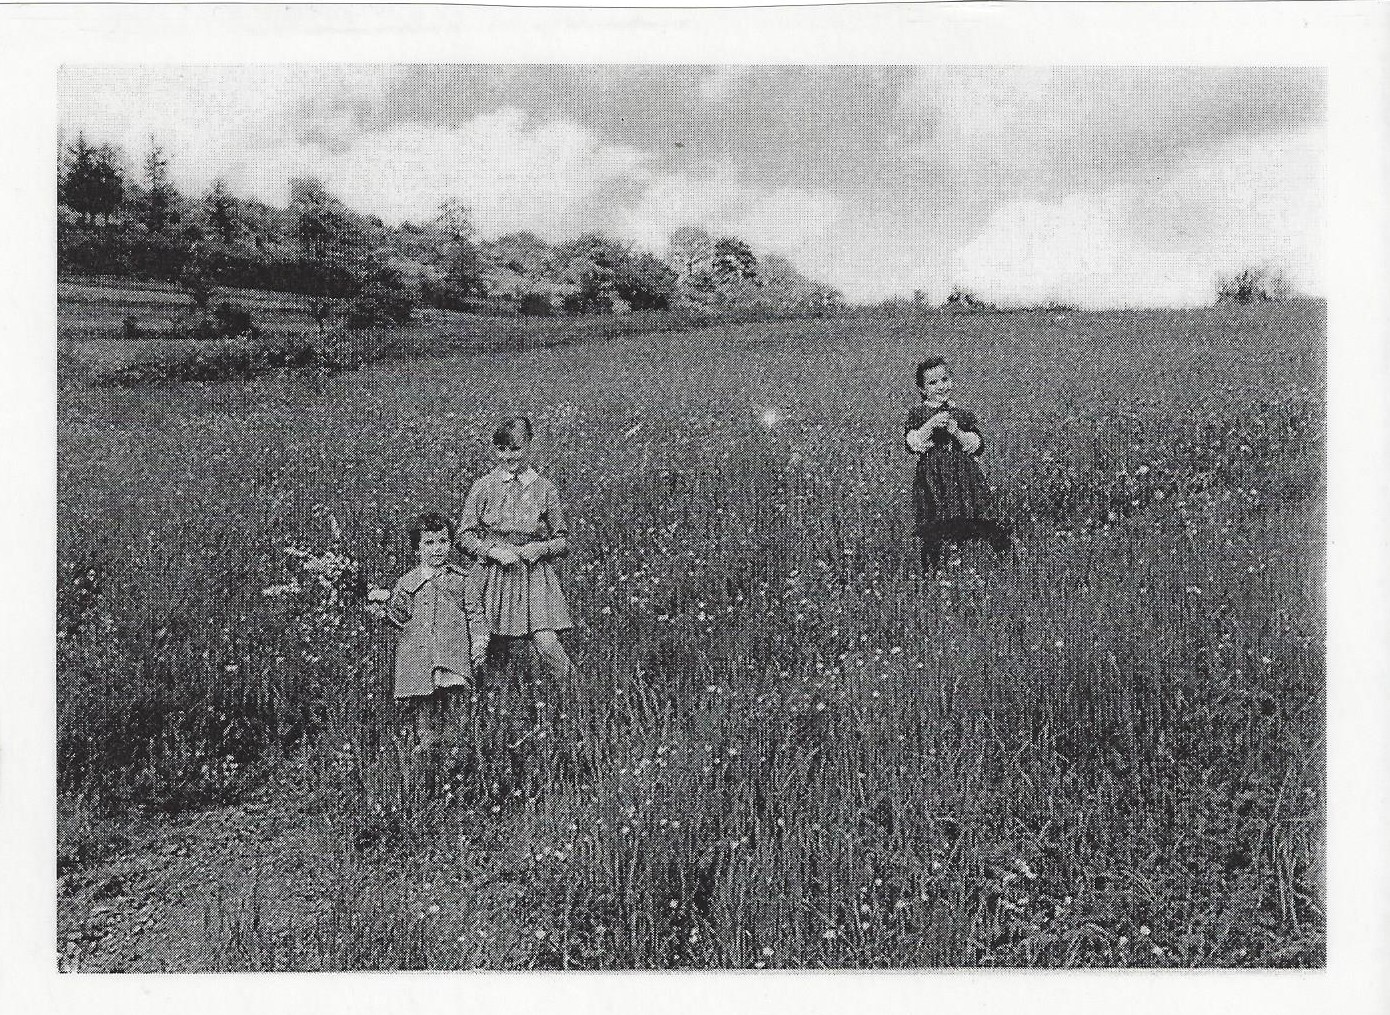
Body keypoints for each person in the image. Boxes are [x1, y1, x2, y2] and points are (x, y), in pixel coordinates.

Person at [457, 416, 575, 684]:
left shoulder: (545, 489)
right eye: (501, 449)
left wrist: (540, 548)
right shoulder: (483, 486)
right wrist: (490, 551)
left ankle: (580, 698)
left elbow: (562, 541)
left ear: (530, 446)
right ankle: (501, 707)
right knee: (492, 649)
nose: (508, 456)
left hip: (532, 575)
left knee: (546, 643)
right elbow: (463, 536)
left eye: (516, 449)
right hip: (493, 575)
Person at [373, 512, 487, 752]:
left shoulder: (463, 580)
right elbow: (398, 617)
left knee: (456, 699)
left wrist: (479, 643)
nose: (437, 549)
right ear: (417, 548)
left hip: (452, 652)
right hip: (419, 655)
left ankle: (457, 746)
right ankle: (426, 745)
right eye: (429, 543)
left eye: (443, 541)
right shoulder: (407, 583)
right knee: (424, 700)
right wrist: (381, 607)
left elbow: (475, 614)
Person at [905, 357, 1013, 570]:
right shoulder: (918, 414)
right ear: (922, 389)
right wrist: (930, 425)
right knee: (935, 523)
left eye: (944, 379)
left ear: (951, 380)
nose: (941, 386)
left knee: (980, 515)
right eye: (933, 383)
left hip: (964, 475)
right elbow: (912, 443)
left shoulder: (962, 414)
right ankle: (930, 574)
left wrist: (957, 432)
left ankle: (1009, 560)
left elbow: (977, 445)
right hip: (934, 477)